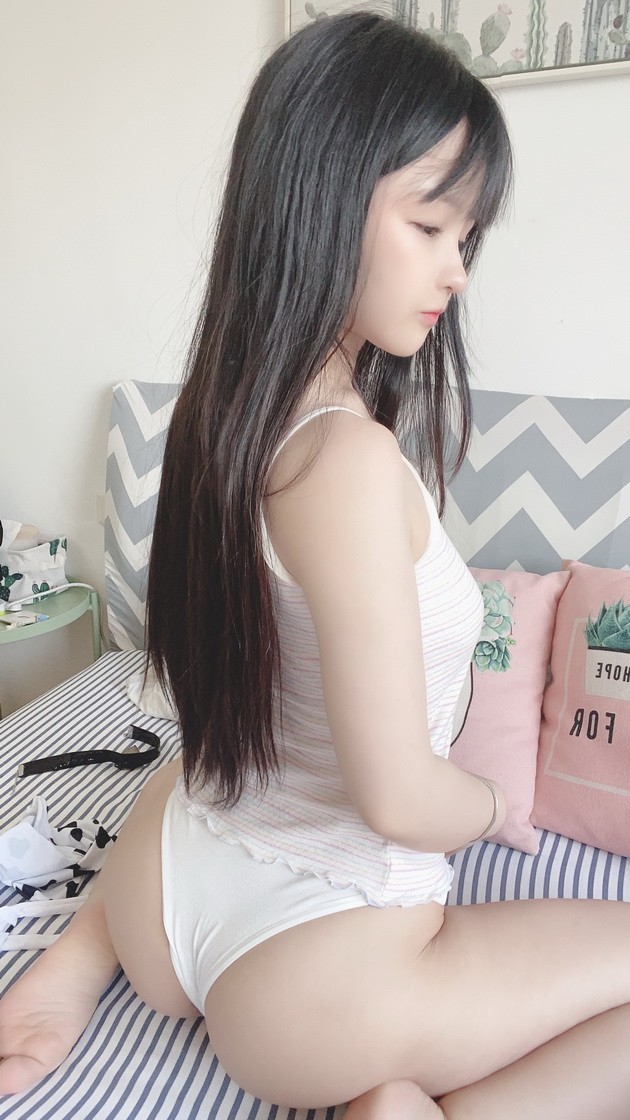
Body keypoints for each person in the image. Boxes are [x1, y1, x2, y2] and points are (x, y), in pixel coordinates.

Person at [1, 10, 630, 1118]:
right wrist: (492, 804)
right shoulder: (347, 460)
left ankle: (80, 951)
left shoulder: (225, 416)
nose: (456, 270)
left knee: (178, 773)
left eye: (467, 237)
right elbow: (398, 798)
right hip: (313, 979)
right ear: (320, 197)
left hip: (171, 879)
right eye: (431, 224)